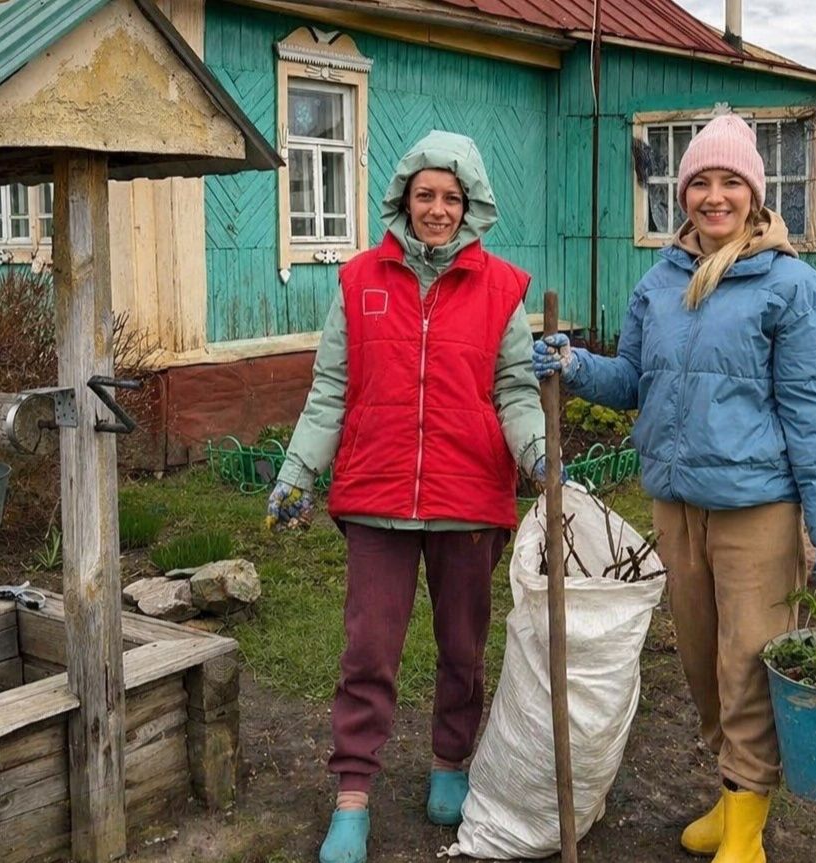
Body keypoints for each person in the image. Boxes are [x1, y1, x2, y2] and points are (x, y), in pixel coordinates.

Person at [533, 113, 816, 863]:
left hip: (756, 507)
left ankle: (747, 822)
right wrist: (578, 365)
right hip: (677, 501)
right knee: (702, 658)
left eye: (730, 182)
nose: (715, 197)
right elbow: (634, 383)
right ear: (684, 194)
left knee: (750, 656)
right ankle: (731, 791)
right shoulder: (660, 278)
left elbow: (814, 410)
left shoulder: (790, 286)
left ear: (755, 193)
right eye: (701, 183)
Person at [267, 130, 549, 863]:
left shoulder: (501, 289)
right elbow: (331, 388)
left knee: (463, 648)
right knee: (368, 650)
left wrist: (539, 450)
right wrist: (298, 471)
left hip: (468, 496)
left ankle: (450, 765)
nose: (437, 209)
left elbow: (516, 390)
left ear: (471, 205)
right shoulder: (360, 279)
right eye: (425, 195)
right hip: (377, 495)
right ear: (403, 199)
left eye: (451, 197)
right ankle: (352, 795)